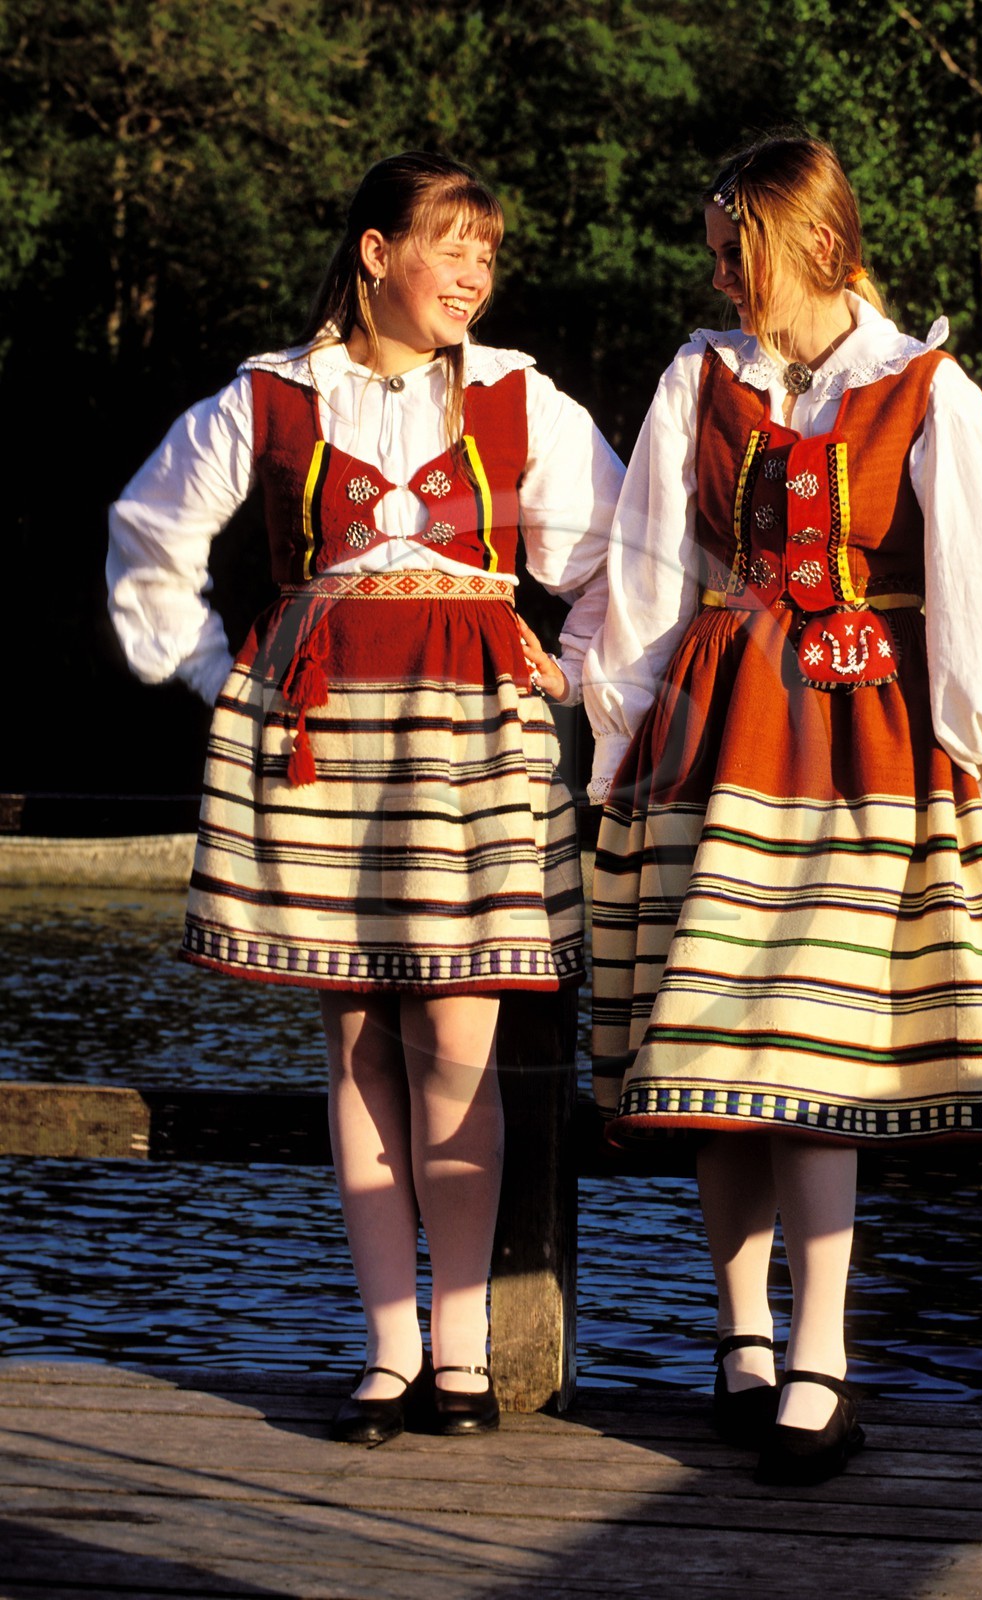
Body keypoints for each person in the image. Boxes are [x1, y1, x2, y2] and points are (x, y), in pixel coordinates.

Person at [108, 151, 623, 1444]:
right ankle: (388, 1352)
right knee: (359, 1044)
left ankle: (461, 1351)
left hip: (471, 740)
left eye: (488, 255)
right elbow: (150, 539)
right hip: (322, 732)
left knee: (458, 1039)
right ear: (376, 253)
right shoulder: (270, 398)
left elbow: (623, 563)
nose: (473, 275)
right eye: (450, 247)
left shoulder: (517, 399)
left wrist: (577, 679)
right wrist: (221, 675)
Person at [582, 131, 982, 1485]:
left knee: (812, 1069)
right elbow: (646, 570)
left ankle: (823, 1354)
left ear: (801, 240)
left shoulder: (919, 387)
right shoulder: (699, 377)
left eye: (738, 248)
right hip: (715, 733)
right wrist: (617, 736)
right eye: (717, 249)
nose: (723, 274)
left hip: (858, 746)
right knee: (717, 1059)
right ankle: (736, 1340)